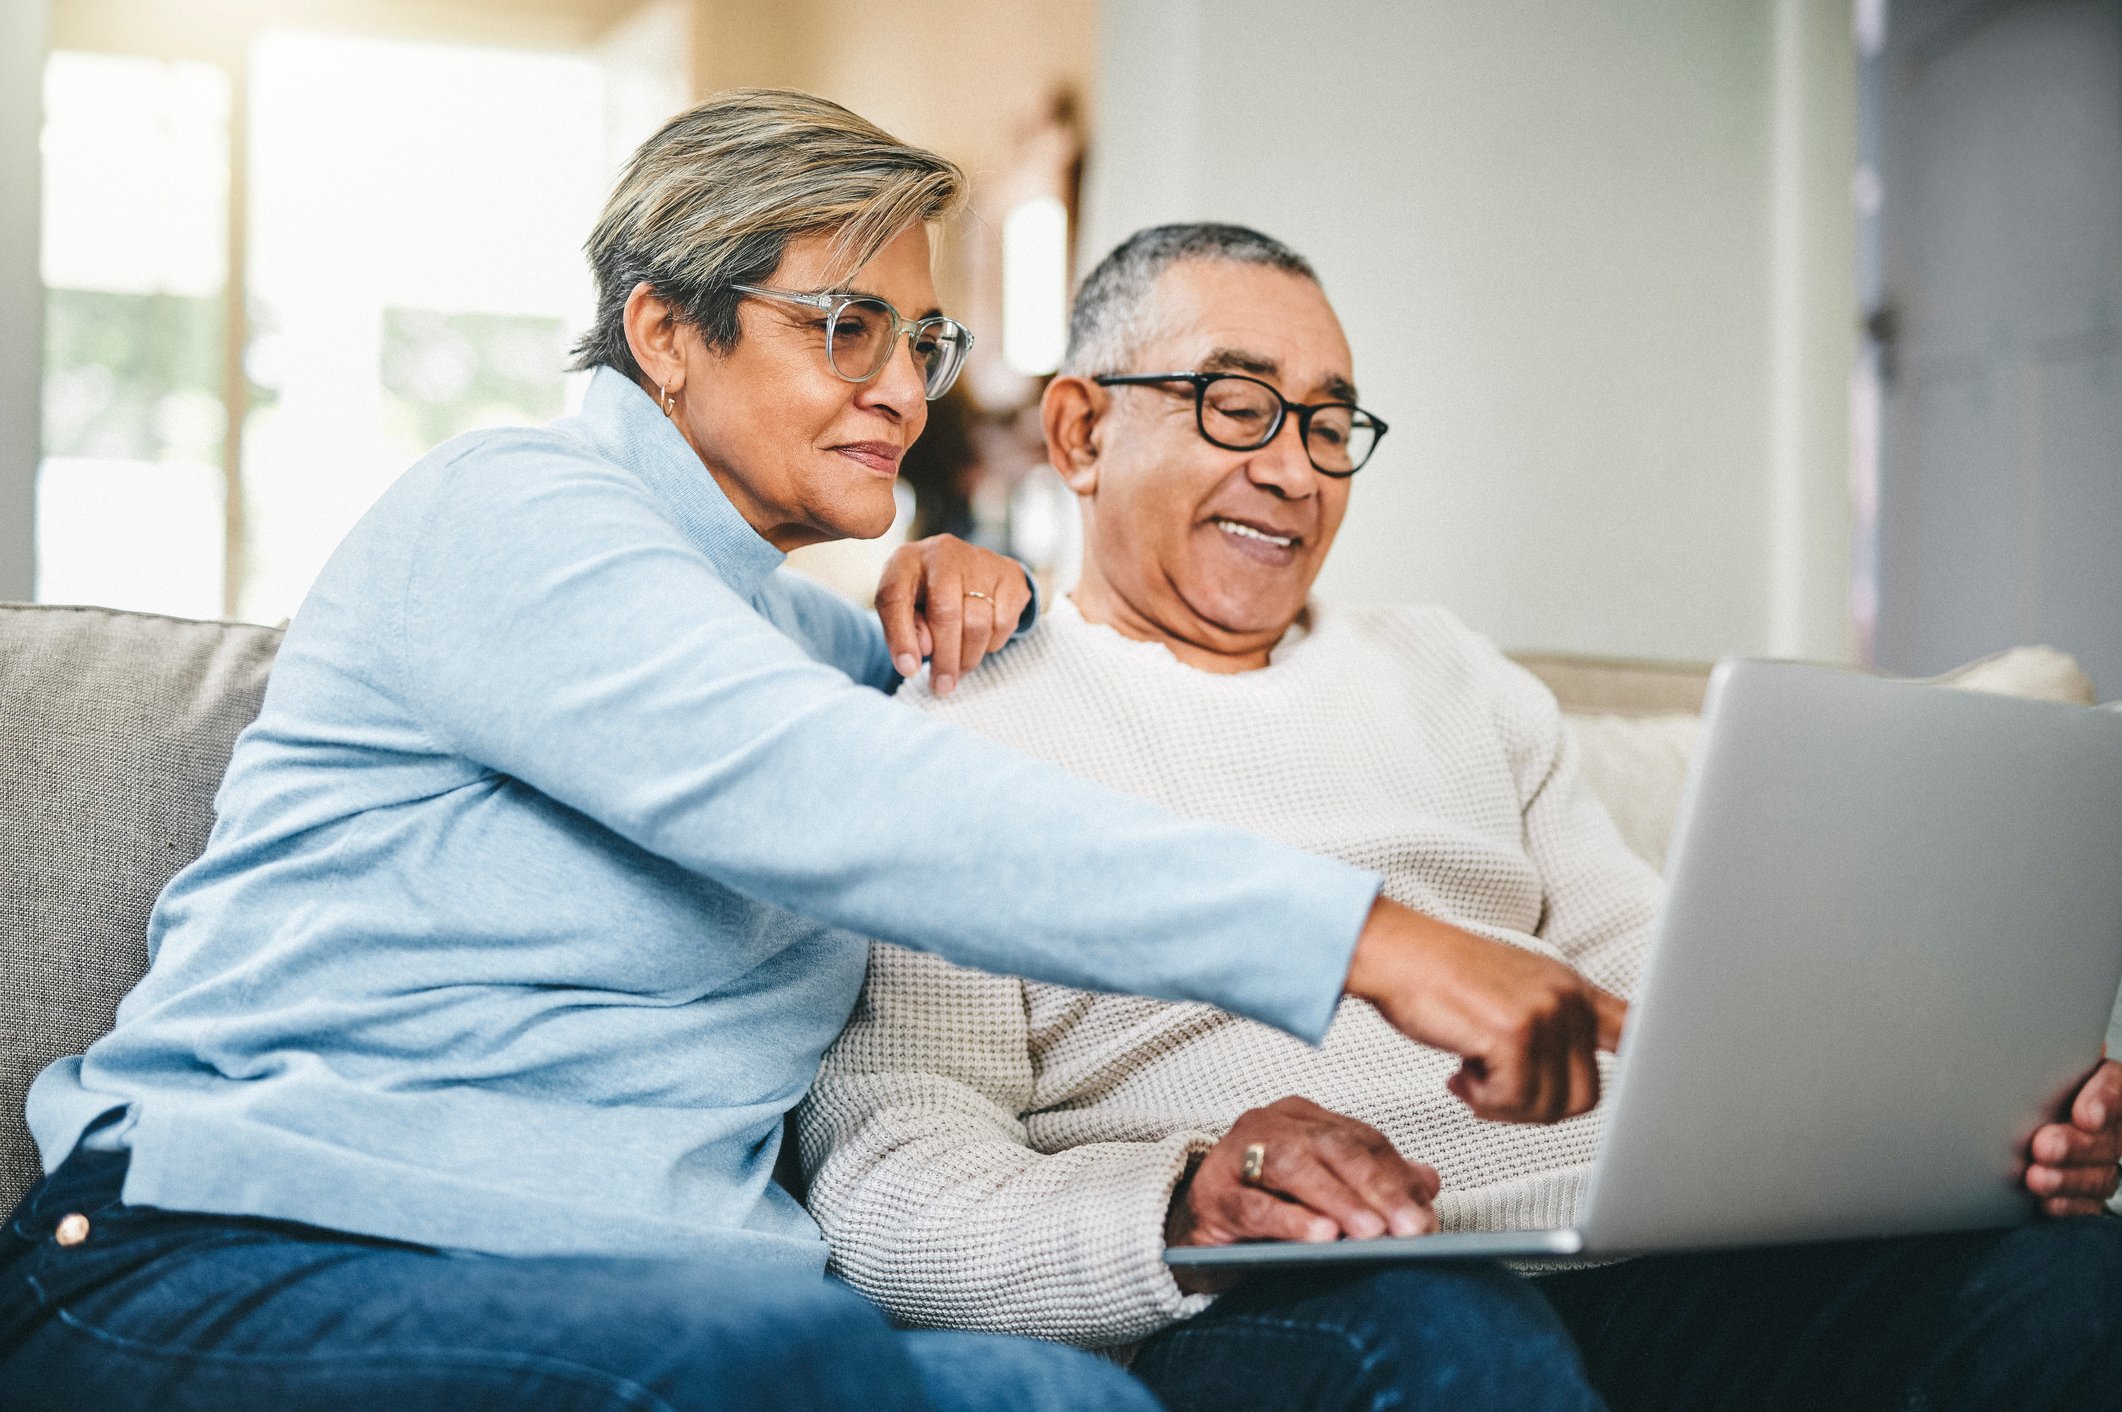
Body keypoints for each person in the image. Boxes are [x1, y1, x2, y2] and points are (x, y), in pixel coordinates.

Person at [0, 96, 1628, 1412]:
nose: (901, 393)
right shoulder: (505, 515)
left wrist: (943, 598)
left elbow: (858, 725)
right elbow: (844, 805)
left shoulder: (833, 648)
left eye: (919, 345)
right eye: (847, 329)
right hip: (247, 1251)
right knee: (769, 1372)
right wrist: (1373, 943)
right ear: (663, 331)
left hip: (672, 1292)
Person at [797, 222, 2122, 1412]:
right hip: (1308, 1304)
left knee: (2074, 1281)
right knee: (1449, 1340)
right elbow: (888, 1176)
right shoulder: (963, 709)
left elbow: (1666, 990)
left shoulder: (1451, 675)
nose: (1295, 473)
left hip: (1627, 1268)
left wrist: (1970, 1122)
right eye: (1239, 407)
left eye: (1329, 426)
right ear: (1082, 432)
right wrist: (1181, 1198)